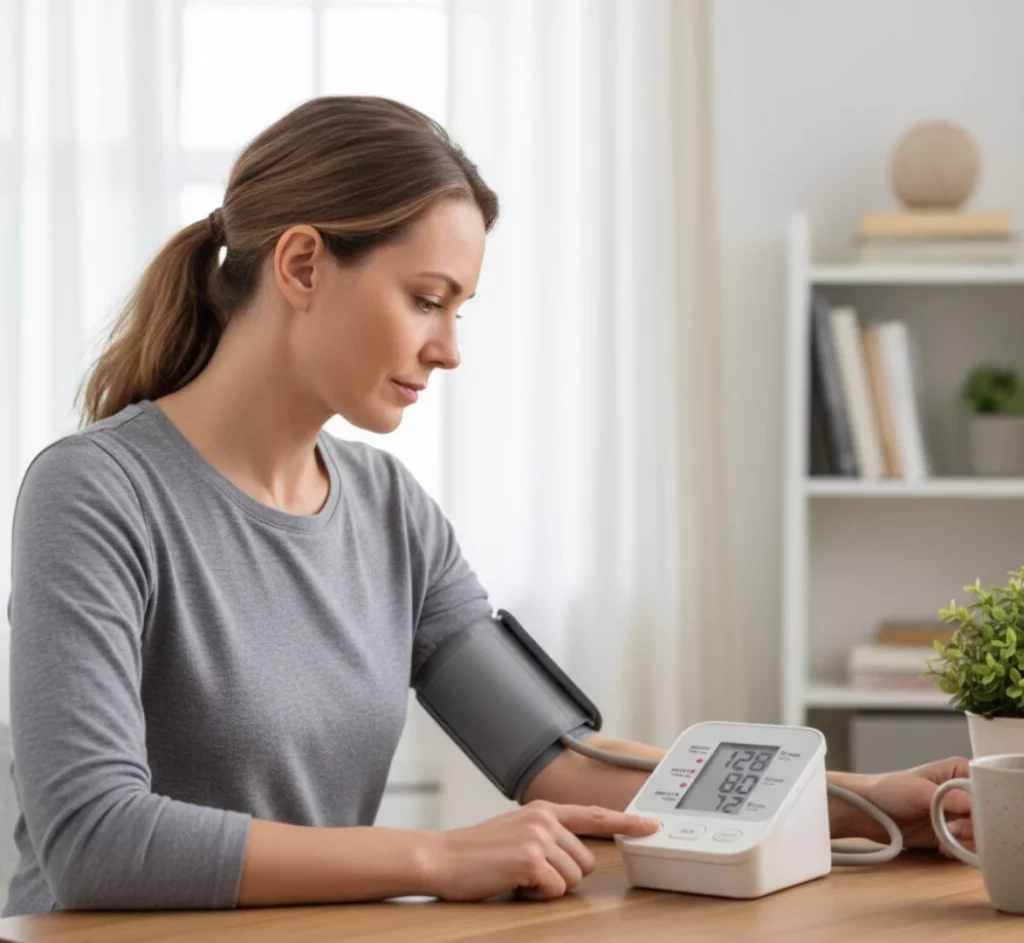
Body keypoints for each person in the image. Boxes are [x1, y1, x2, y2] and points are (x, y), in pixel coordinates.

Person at [4, 96, 972, 917]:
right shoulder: (94, 493)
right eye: (427, 298)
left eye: (458, 309)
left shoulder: (388, 509)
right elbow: (94, 836)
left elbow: (558, 761)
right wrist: (432, 856)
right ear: (301, 265)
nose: (448, 348)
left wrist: (863, 801)